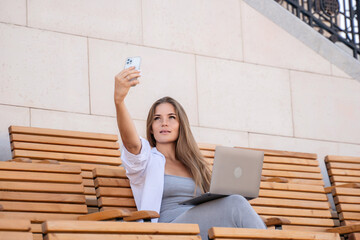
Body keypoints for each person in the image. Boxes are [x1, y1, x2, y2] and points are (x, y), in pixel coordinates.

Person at [114, 66, 266, 239]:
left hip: (202, 230)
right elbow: (132, 145)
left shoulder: (194, 164)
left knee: (236, 205)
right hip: (168, 231)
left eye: (171, 117)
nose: (164, 123)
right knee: (236, 203)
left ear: (181, 125)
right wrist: (119, 101)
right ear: (151, 127)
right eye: (158, 119)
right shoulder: (147, 159)